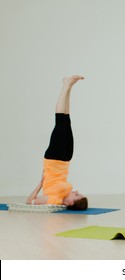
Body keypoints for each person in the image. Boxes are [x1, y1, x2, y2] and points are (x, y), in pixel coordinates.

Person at [26, 75, 88, 210]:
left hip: (53, 159)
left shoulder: (55, 199)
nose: (76, 191)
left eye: (77, 195)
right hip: (65, 161)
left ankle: (66, 85)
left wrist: (40, 184)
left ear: (71, 203)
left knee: (60, 121)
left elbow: (29, 201)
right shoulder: (66, 193)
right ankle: (69, 87)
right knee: (66, 121)